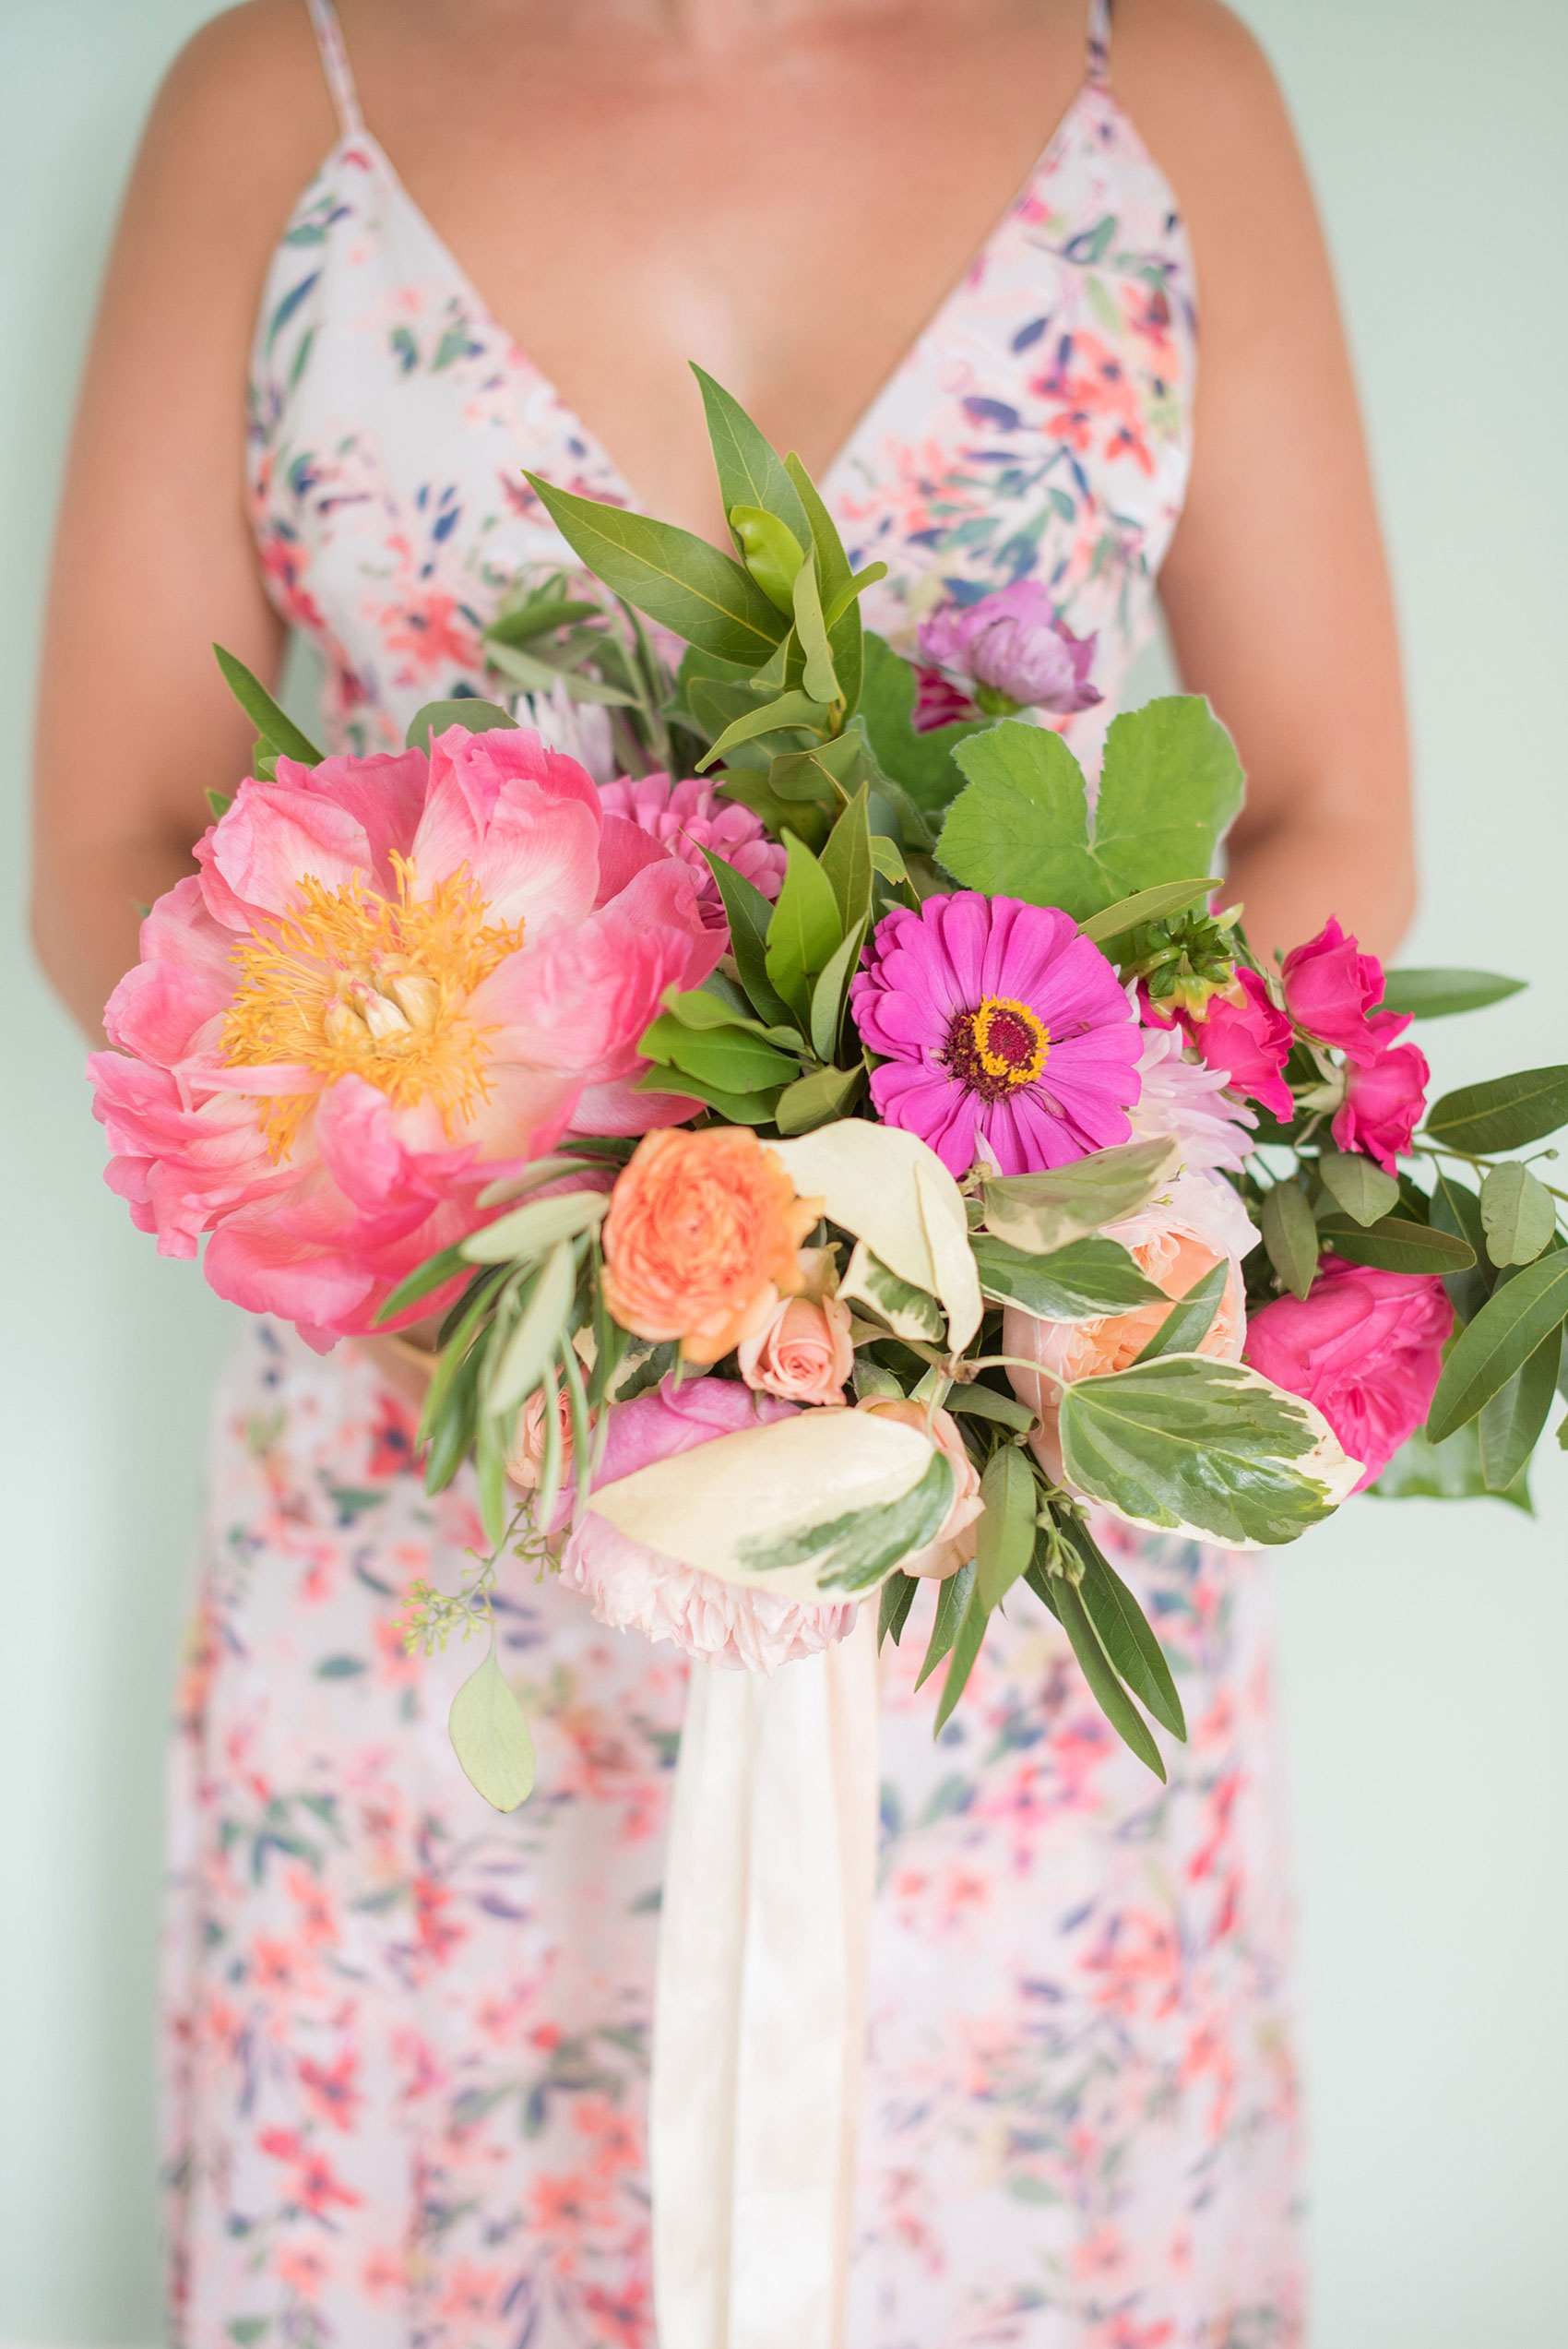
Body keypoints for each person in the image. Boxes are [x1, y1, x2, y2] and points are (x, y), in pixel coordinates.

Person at [31, 0, 1412, 2339]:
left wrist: (951, 1261)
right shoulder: (282, 94)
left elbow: (1321, 818)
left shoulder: (1157, 86)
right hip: (441, 1468)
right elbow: (107, 839)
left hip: (994, 1463)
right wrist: (510, 1266)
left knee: (993, 2211)